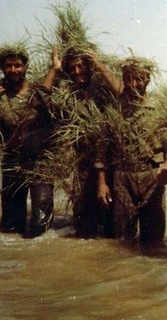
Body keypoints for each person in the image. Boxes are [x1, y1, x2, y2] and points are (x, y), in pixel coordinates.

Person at [0, 44, 55, 237]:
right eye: (8, 66)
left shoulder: (37, 90)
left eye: (18, 65)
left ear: (26, 67)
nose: (13, 70)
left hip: (41, 161)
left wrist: (55, 67)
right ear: (2, 68)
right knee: (11, 226)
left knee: (40, 224)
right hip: (12, 161)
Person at [96, 58, 167, 247]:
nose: (133, 84)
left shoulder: (161, 107)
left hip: (152, 178)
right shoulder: (114, 109)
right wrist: (102, 183)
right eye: (129, 79)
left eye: (139, 79)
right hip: (122, 179)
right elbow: (102, 149)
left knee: (154, 242)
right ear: (123, 79)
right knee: (123, 242)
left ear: (148, 80)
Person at [43, 47, 117, 238]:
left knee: (112, 229)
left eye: (81, 66)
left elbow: (121, 91)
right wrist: (55, 70)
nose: (77, 72)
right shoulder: (67, 93)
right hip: (82, 166)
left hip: (109, 163)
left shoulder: (102, 89)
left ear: (90, 67)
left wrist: (99, 64)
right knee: (85, 229)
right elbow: (41, 100)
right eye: (72, 68)